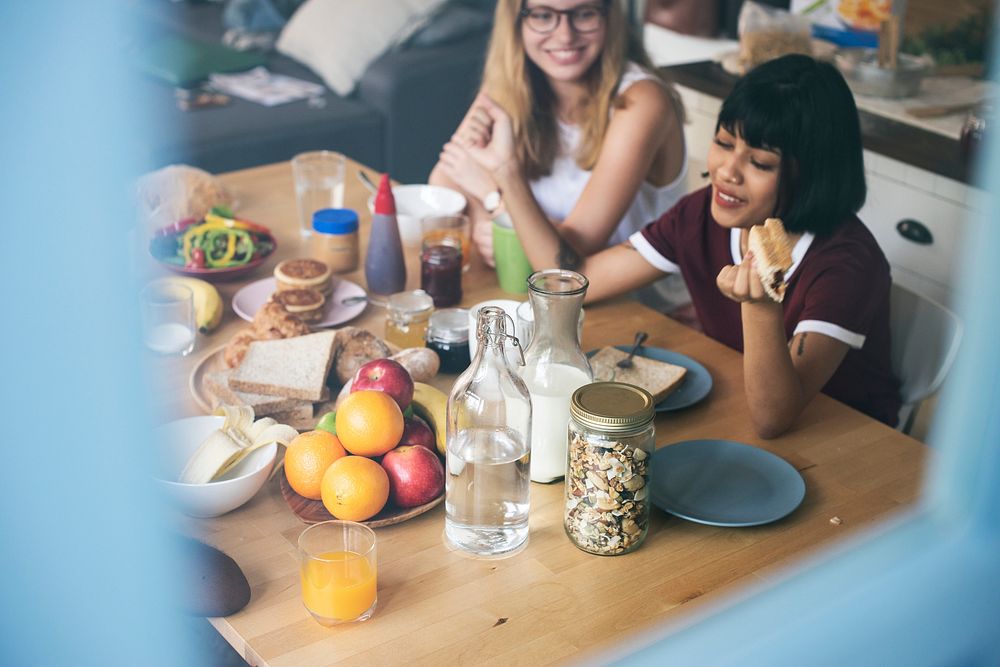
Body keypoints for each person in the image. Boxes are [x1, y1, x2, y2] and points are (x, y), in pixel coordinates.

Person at [460, 53, 902, 437]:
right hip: (734, 411)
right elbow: (580, 282)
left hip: (851, 444)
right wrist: (506, 173)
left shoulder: (845, 263)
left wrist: (762, 305)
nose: (728, 171)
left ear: (813, 175)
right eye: (723, 144)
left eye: (760, 162)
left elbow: (774, 417)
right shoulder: (700, 216)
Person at [429, 0, 691, 312]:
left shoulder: (642, 102)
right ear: (517, 22)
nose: (565, 35)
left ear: (609, 17)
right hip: (543, 300)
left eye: (583, 13)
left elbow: (563, 260)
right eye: (543, 15)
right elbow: (444, 187)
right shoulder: (509, 86)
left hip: (640, 313)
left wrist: (492, 199)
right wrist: (504, 224)